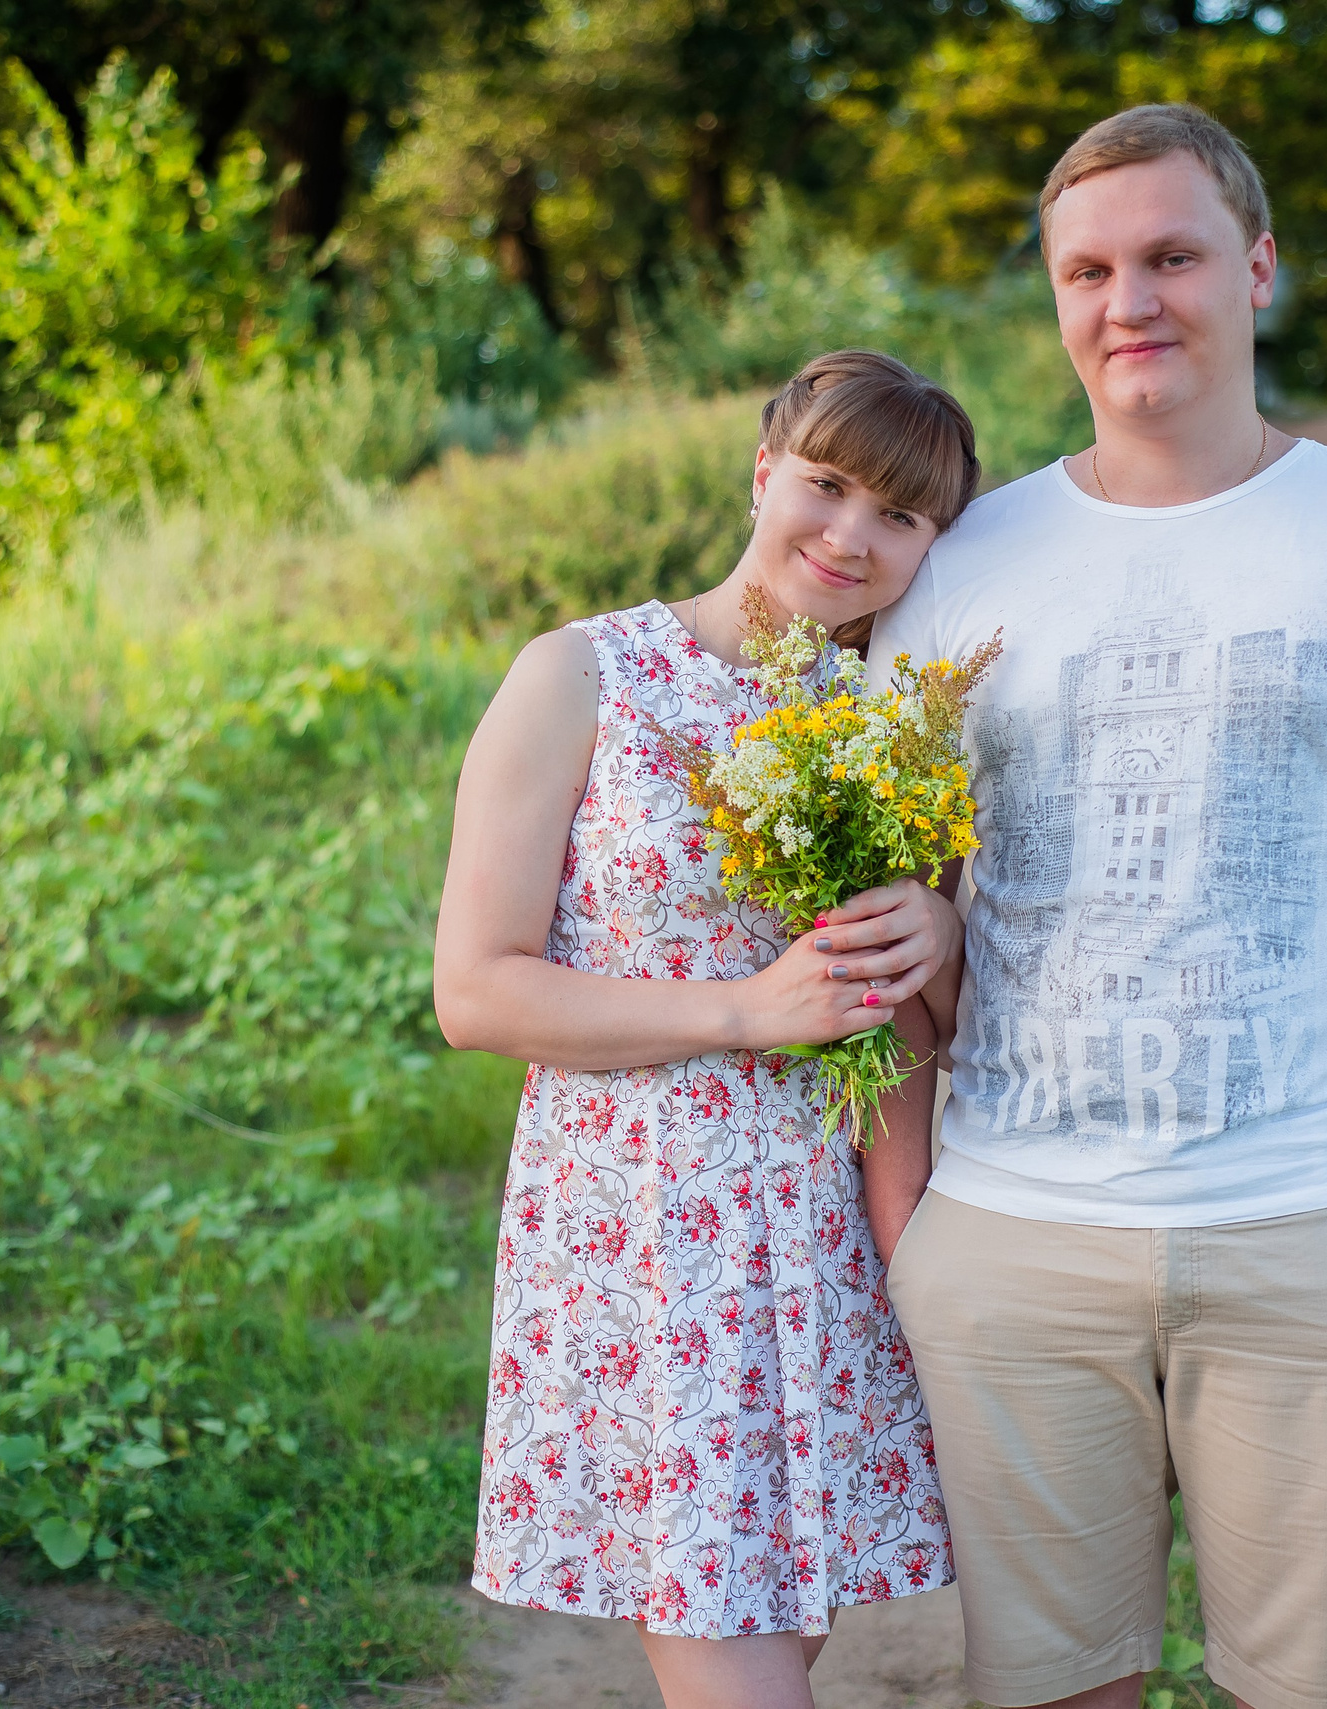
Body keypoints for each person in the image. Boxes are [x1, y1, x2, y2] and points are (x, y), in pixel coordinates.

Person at [867, 105, 1327, 1709]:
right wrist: (913, 1234)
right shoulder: (963, 561)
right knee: (1045, 1687)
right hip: (1016, 1232)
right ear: (1054, 297)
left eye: (1170, 255)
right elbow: (888, 917)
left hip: (1307, 1226)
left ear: (1256, 265)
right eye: (1088, 269)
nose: (1131, 301)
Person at [433, 349, 982, 1709]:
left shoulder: (895, 730)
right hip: (644, 1230)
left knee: (766, 1652)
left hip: (833, 1234)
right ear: (762, 471)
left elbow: (944, 1027)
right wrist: (743, 1009)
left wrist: (947, 939)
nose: (851, 535)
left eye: (900, 516)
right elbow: (478, 988)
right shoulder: (582, 677)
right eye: (827, 484)